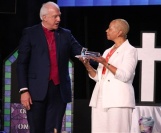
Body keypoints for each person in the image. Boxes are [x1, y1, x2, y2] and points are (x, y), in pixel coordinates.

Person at [16, 1, 83, 133]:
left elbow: (80, 52)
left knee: (53, 129)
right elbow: (22, 63)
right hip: (36, 90)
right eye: (55, 16)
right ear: (44, 17)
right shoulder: (30, 33)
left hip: (58, 91)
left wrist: (101, 60)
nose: (59, 19)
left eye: (59, 16)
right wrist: (24, 90)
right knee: (36, 129)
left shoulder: (66, 34)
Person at [79, 19, 138, 133]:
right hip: (101, 99)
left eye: (110, 28)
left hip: (118, 101)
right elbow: (98, 77)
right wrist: (87, 65)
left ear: (119, 32)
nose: (106, 30)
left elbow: (125, 75)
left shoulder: (130, 50)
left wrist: (105, 62)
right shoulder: (107, 51)